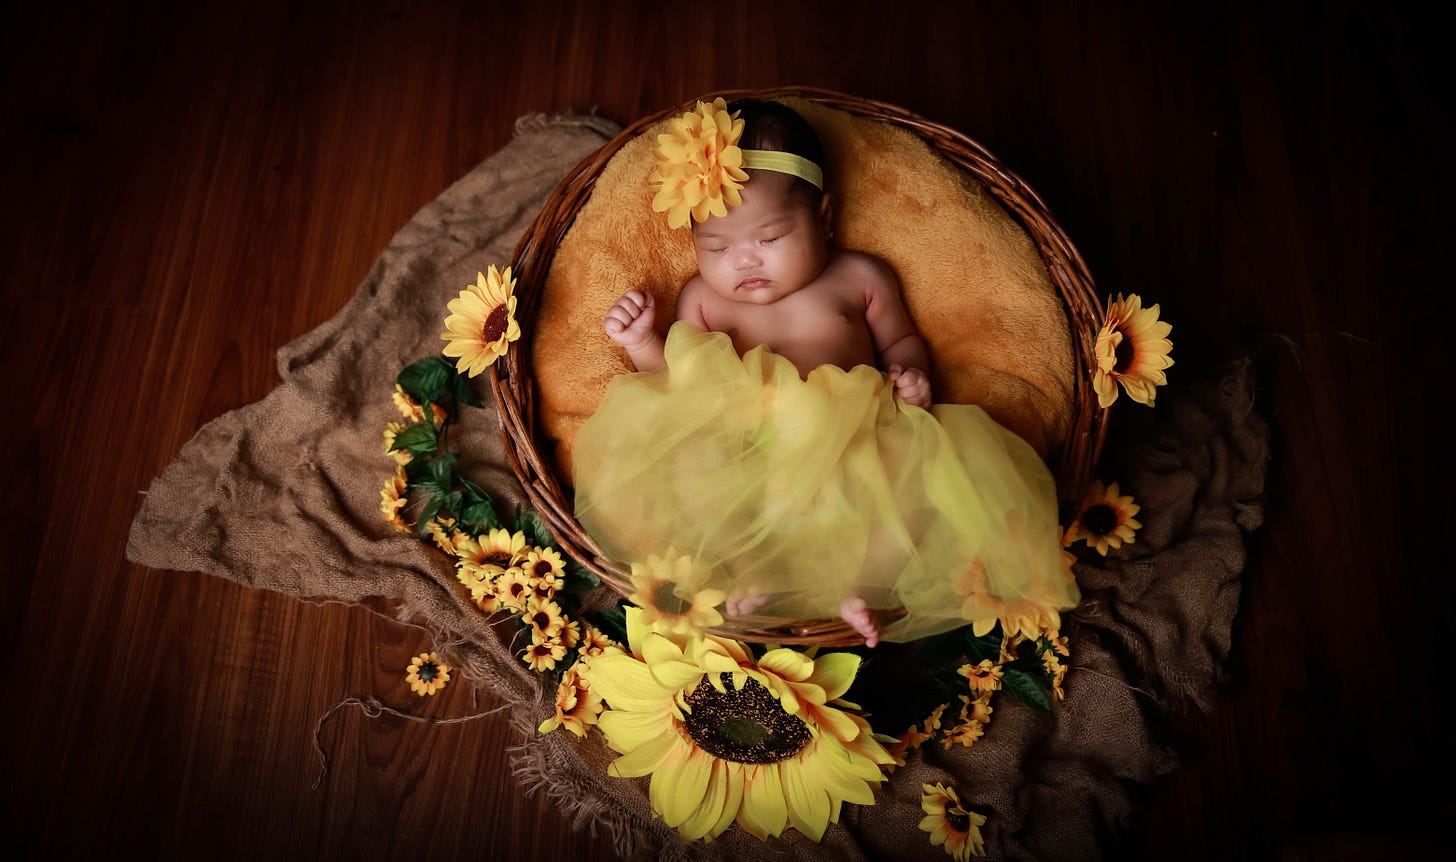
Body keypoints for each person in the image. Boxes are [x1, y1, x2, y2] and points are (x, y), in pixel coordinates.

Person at [572, 98, 1077, 646]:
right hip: (747, 450)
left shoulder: (859, 279)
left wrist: (910, 373)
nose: (744, 261)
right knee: (693, 457)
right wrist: (643, 340)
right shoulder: (701, 300)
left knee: (921, 469)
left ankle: (868, 588)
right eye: (715, 246)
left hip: (854, 443)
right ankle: (748, 565)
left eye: (769, 238)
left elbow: (902, 340)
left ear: (825, 218)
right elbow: (677, 386)